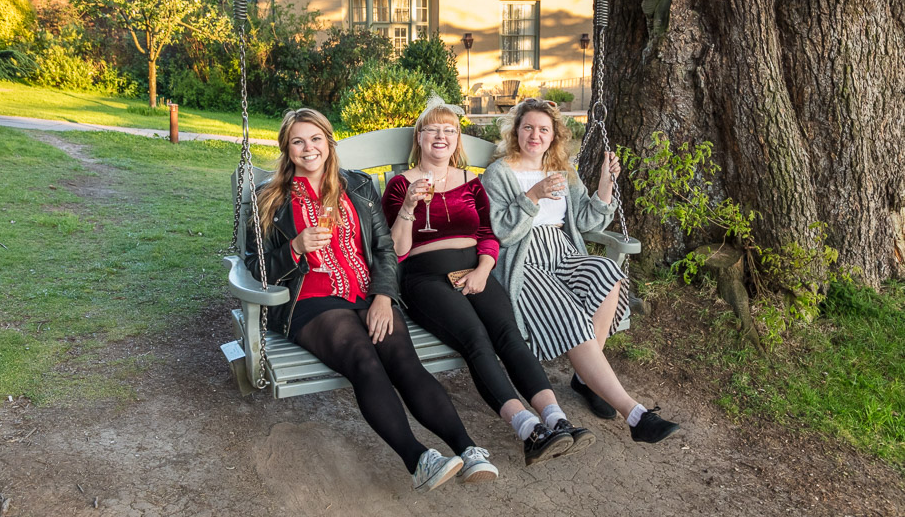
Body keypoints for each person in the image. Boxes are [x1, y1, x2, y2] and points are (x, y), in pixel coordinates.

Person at [244, 108, 498, 491]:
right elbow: (255, 266)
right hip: (313, 299)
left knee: (404, 361)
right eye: (298, 141)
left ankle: (467, 448)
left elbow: (383, 249)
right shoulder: (270, 198)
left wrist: (384, 296)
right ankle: (419, 459)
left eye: (315, 139)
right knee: (364, 360)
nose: (308, 148)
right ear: (287, 148)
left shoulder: (358, 187)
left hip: (367, 291)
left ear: (328, 143)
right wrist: (294, 247)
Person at [382, 96, 595, 467]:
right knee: (476, 341)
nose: (441, 136)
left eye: (449, 130)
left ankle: (557, 419)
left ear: (457, 140)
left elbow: (487, 234)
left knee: (508, 334)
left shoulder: (472, 182)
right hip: (425, 277)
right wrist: (408, 209)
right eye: (432, 129)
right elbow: (396, 251)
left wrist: (483, 269)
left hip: (475, 268)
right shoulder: (401, 186)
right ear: (419, 137)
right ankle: (529, 429)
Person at [481, 98, 680, 444]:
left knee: (606, 272)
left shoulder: (563, 170)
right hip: (524, 261)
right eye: (528, 127)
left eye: (544, 129)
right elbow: (500, 231)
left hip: (563, 251)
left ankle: (587, 378)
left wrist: (605, 185)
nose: (535, 135)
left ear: (555, 136)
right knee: (571, 314)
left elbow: (586, 220)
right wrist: (532, 196)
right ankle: (634, 413)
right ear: (516, 131)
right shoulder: (499, 173)